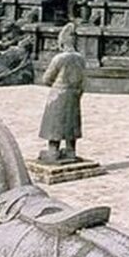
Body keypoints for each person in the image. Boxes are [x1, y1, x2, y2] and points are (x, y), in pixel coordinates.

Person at [38, 22, 85, 163]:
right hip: (75, 93)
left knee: (55, 123)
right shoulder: (80, 59)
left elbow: (46, 79)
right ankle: (71, 150)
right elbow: (82, 80)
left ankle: (53, 151)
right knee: (71, 122)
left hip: (58, 94)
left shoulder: (59, 58)